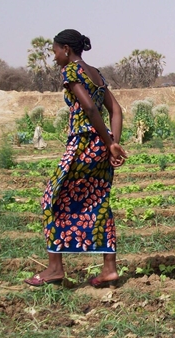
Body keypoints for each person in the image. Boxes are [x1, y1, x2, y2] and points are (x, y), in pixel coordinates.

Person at [25, 29, 127, 288]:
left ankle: (55, 268)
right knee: (98, 200)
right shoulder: (96, 73)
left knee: (51, 198)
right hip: (100, 148)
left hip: (82, 143)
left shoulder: (70, 71)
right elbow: (116, 110)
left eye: (55, 50)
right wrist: (112, 143)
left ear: (66, 49)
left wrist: (108, 142)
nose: (54, 56)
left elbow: (90, 109)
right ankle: (109, 269)